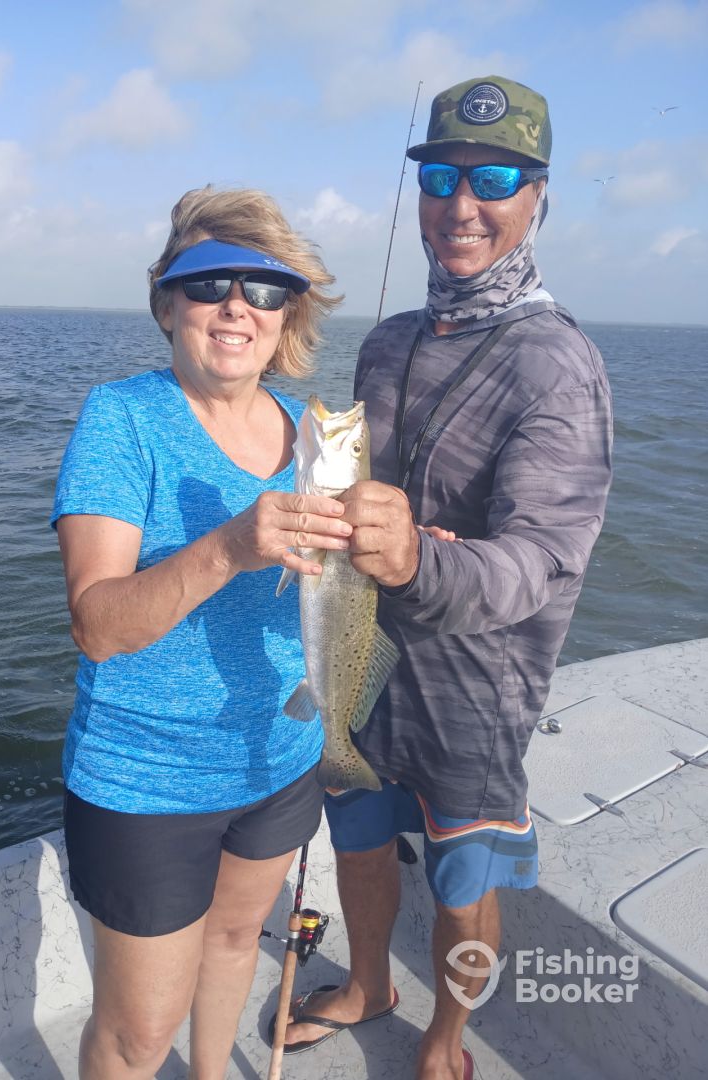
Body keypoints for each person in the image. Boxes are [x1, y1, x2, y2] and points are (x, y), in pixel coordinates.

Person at [276, 76, 613, 1080]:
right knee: (359, 832)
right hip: (361, 649)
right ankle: (368, 983)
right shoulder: (389, 341)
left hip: (477, 684)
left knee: (466, 878)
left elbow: (541, 562)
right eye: (441, 178)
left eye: (494, 179)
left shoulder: (560, 366)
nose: (463, 204)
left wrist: (421, 556)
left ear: (537, 195)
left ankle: (445, 1039)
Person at [50, 185, 345, 1080]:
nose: (236, 306)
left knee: (234, 944)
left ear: (287, 315)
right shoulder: (122, 418)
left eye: (265, 289)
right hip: (147, 781)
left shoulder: (311, 438)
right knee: (138, 1036)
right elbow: (97, 625)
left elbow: (337, 595)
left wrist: (398, 550)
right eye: (209, 282)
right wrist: (227, 547)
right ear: (168, 303)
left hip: (281, 758)